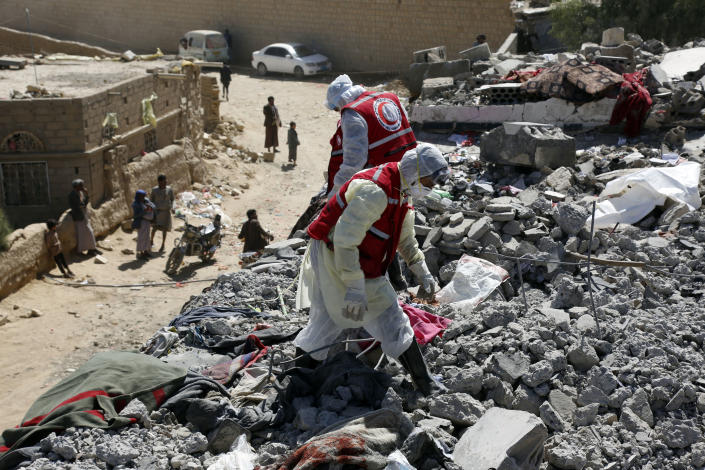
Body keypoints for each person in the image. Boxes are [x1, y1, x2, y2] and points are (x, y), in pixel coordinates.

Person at [295, 143, 450, 395]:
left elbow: (405, 238)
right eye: (428, 181)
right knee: (328, 318)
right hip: (333, 255)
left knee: (391, 317)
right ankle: (298, 379)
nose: (430, 188)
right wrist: (355, 287)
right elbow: (345, 241)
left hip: (358, 257)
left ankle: (424, 382)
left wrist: (421, 270)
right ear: (415, 172)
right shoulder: (376, 191)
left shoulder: (401, 190)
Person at [324, 74, 417, 197]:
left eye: (336, 109)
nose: (339, 111)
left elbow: (354, 162)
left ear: (340, 101)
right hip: (414, 169)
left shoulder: (352, 113)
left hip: (387, 181)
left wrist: (335, 192)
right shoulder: (390, 97)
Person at [68, 179, 97, 256]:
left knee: (89, 232)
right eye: (80, 185)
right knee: (81, 234)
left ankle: (91, 249)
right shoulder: (72, 195)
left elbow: (85, 203)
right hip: (78, 216)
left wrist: (87, 195)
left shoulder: (80, 193)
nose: (82, 186)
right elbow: (77, 205)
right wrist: (82, 205)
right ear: (76, 186)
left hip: (83, 215)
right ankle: (80, 251)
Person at [150, 174, 175, 252]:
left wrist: (172, 207)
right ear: (159, 182)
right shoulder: (154, 190)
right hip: (157, 213)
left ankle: (163, 244)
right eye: (163, 182)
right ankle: (151, 241)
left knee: (165, 229)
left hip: (166, 213)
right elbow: (151, 201)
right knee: (154, 228)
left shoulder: (169, 189)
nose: (165, 183)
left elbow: (172, 199)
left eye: (165, 181)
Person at [132, 190, 156, 259]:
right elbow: (136, 215)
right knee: (141, 238)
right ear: (138, 196)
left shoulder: (146, 200)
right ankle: (141, 253)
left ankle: (146, 251)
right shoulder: (135, 204)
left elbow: (153, 206)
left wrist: (150, 207)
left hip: (147, 222)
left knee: (147, 237)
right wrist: (144, 211)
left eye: (144, 196)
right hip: (141, 222)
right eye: (141, 196)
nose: (143, 197)